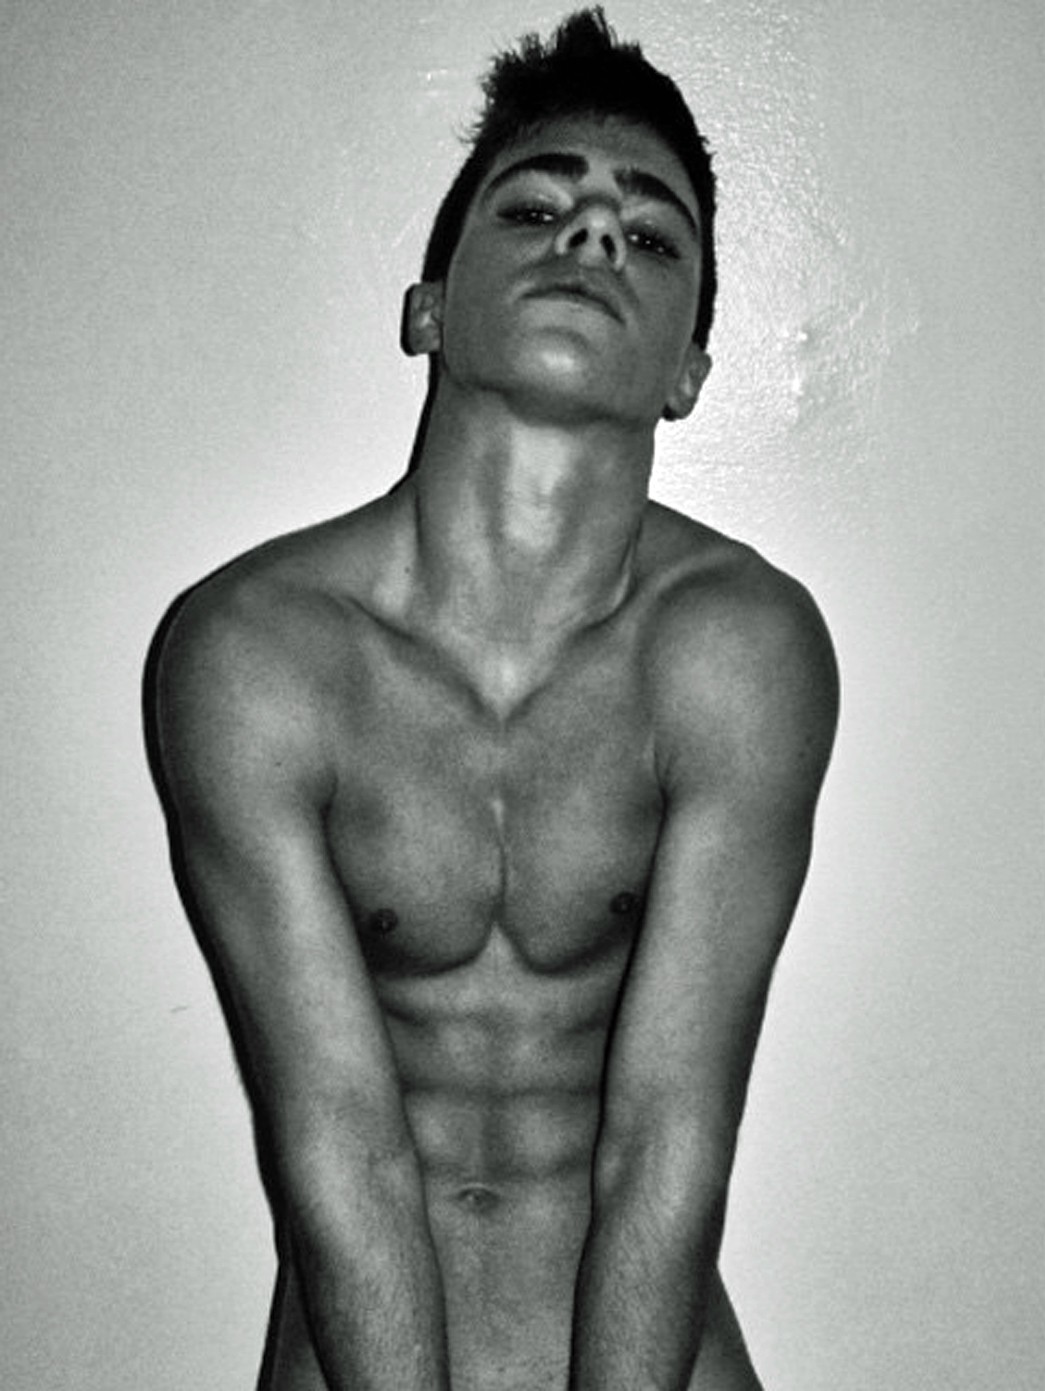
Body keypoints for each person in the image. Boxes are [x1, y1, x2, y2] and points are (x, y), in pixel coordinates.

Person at [147, 9, 838, 1389]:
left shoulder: (738, 648)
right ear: (427, 308)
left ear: (689, 374)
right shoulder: (257, 651)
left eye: (651, 238)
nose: (592, 236)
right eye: (534, 208)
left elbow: (669, 1146)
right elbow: (342, 1151)